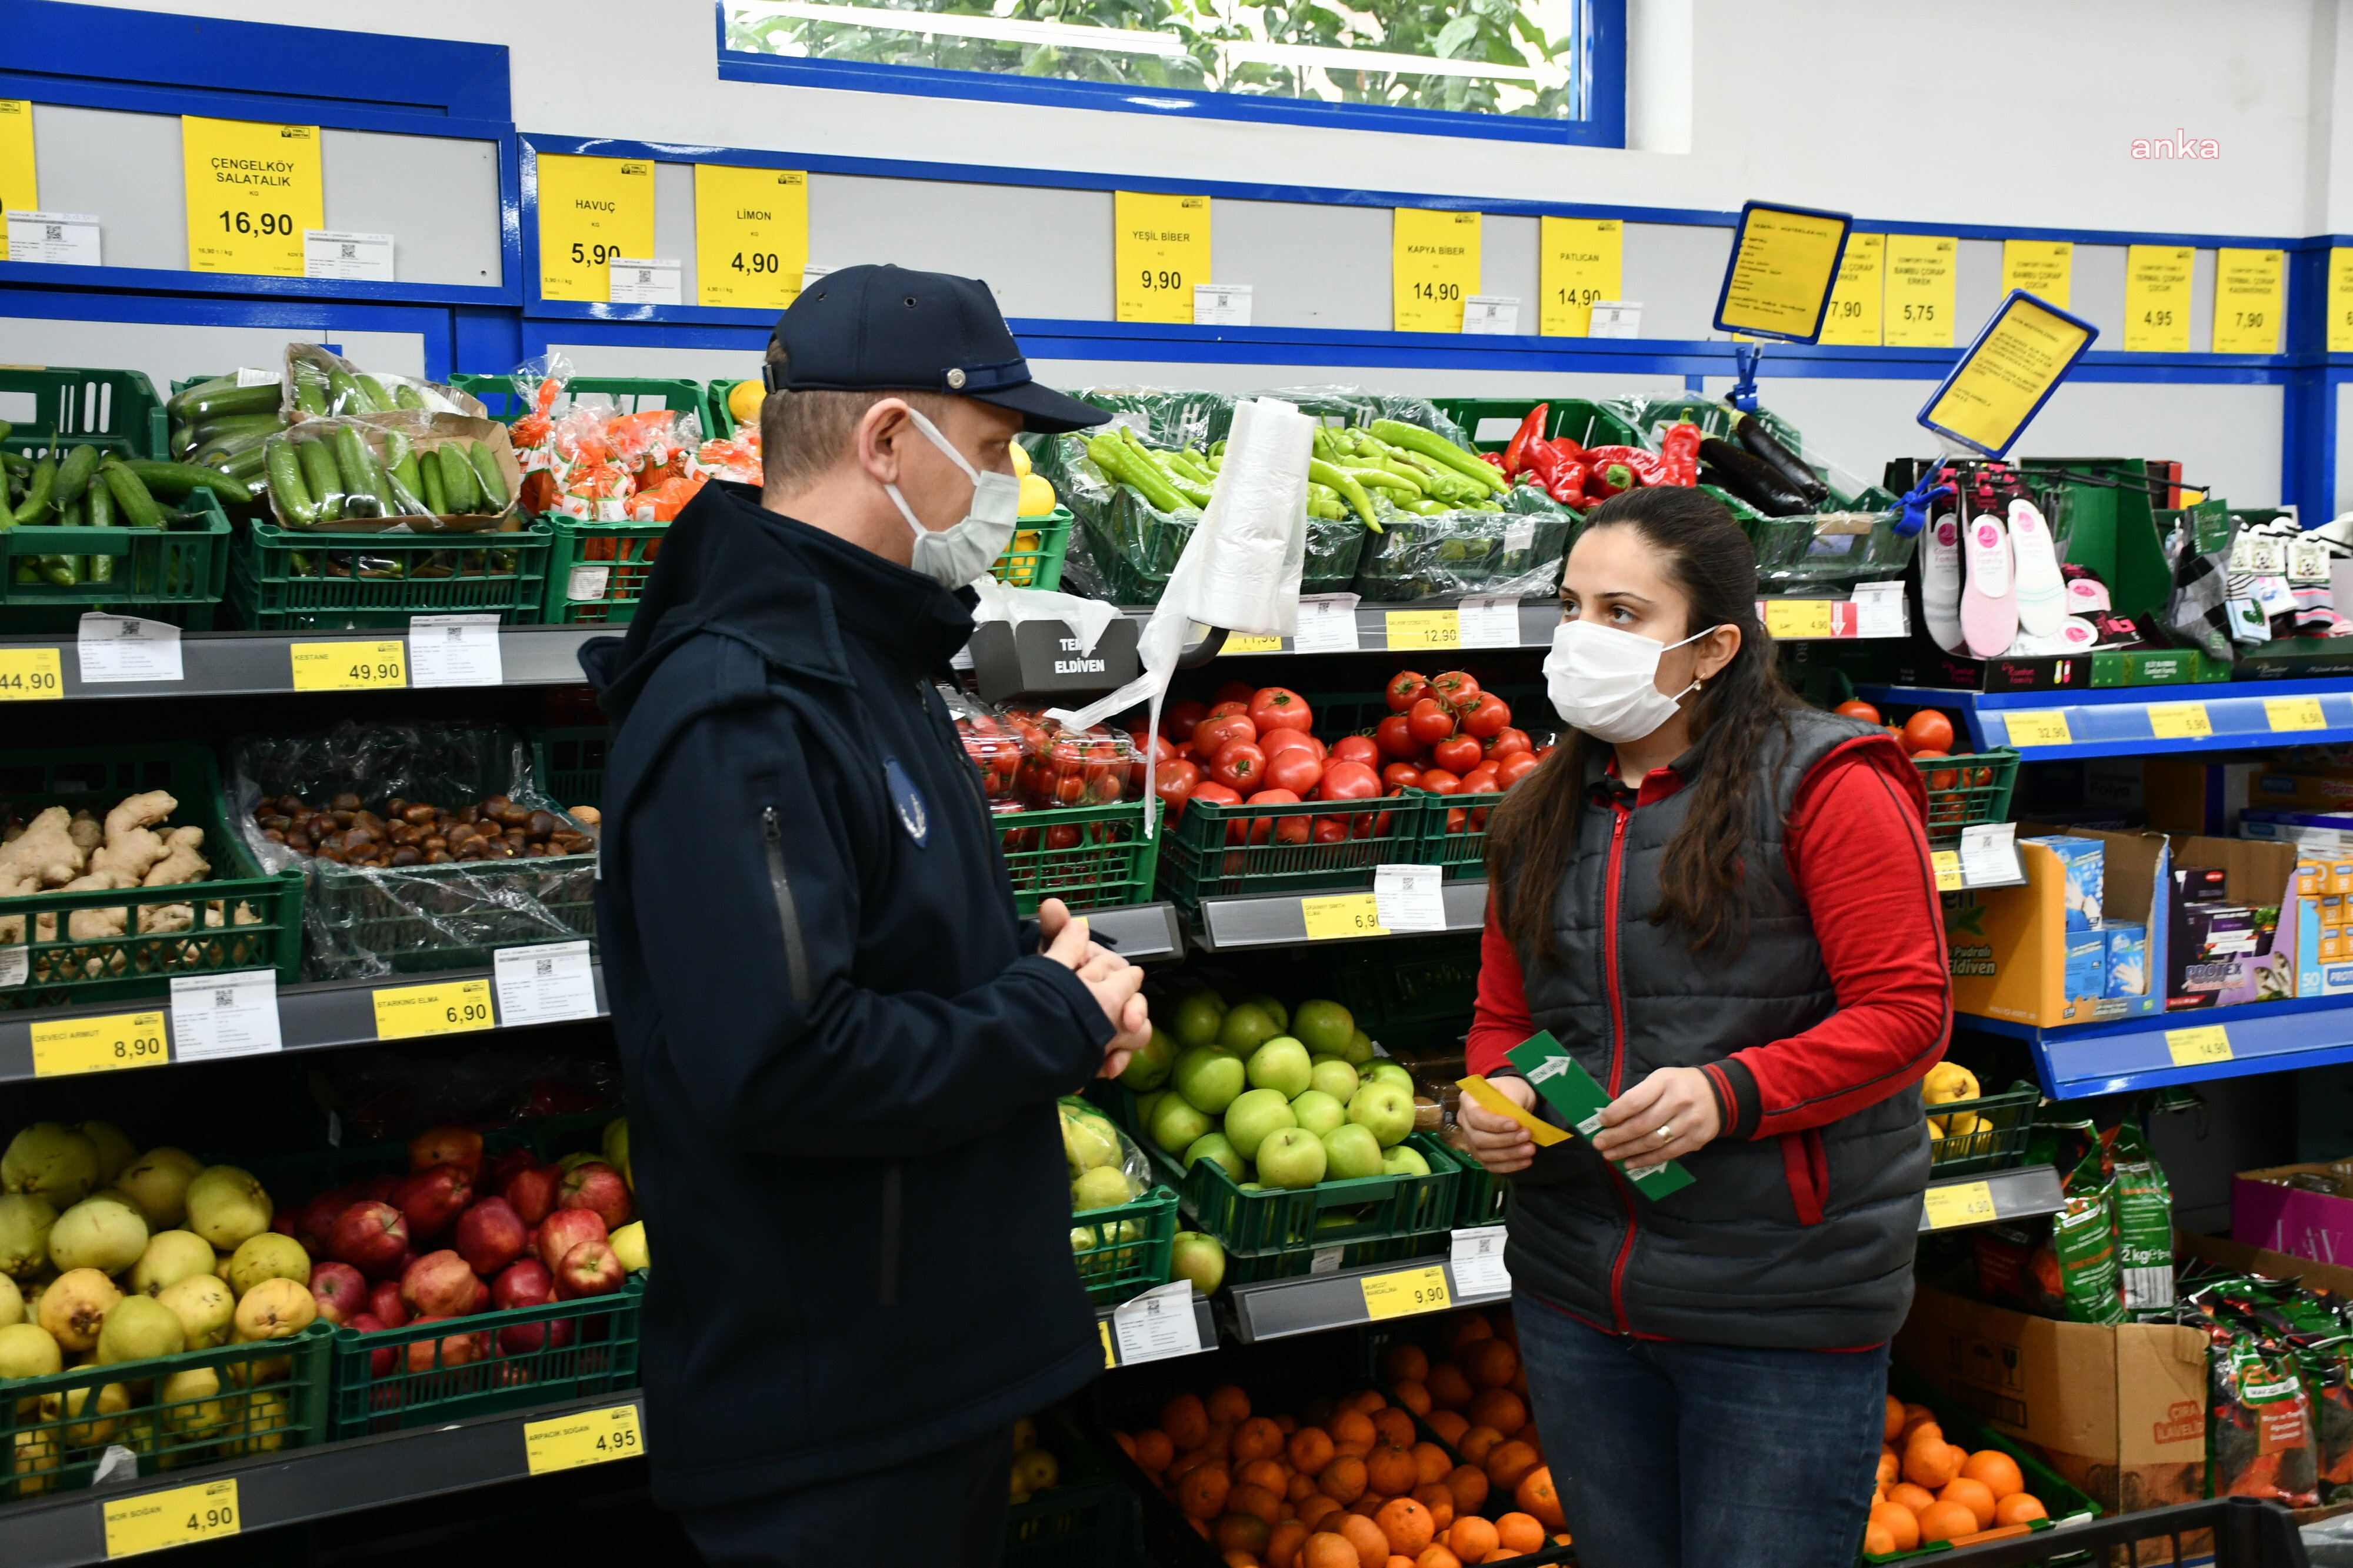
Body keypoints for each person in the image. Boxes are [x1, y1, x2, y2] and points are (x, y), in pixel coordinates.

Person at [582, 264, 1149, 1567]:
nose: (1001, 491)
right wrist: (1042, 1017)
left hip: (914, 1373)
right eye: (995, 450)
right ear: (889, 439)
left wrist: (1039, 974)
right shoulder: (744, 703)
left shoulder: (865, 658)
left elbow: (874, 944)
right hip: (825, 1418)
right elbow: (785, 1058)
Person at [1457, 485, 1951, 1568]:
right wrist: (1500, 1100)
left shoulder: (1828, 781)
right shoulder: (1541, 806)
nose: (1582, 637)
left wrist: (1729, 1092)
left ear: (1714, 644)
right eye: (1571, 604)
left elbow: (1908, 1013)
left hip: (1778, 1305)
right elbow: (1508, 1017)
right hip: (1577, 1291)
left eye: (1623, 614)